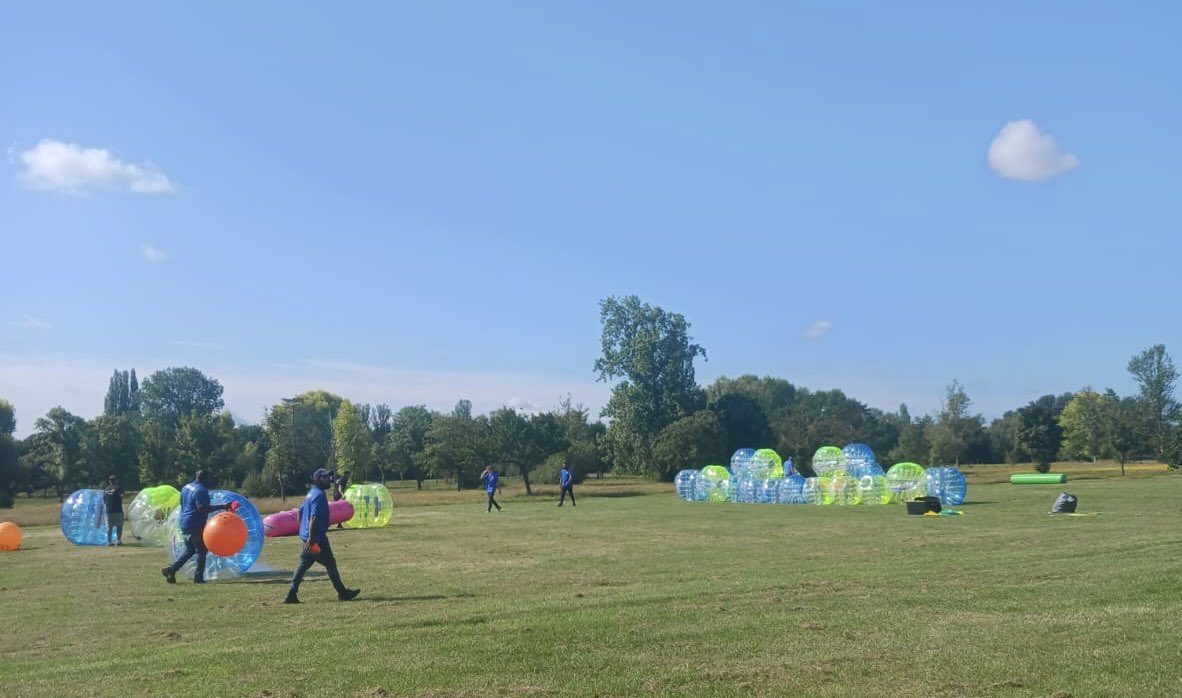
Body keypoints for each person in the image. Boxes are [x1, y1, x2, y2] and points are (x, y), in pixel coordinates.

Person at [285, 468, 360, 604]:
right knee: (330, 563)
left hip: (308, 537)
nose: (329, 479)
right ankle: (342, 593)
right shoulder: (319, 495)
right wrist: (312, 539)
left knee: (303, 565)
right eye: (326, 477)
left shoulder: (311, 493)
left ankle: (291, 594)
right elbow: (314, 518)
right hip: (316, 538)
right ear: (319, 479)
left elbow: (299, 511)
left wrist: (303, 530)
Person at [161, 470, 234, 584]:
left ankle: (172, 570)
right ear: (204, 478)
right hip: (195, 524)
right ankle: (198, 578)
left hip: (184, 522)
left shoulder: (186, 487)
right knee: (202, 550)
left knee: (190, 550)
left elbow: (182, 503)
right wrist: (222, 506)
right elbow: (201, 508)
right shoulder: (201, 490)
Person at [102, 475, 125, 545]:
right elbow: (122, 496)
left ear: (109, 481)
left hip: (108, 510)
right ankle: (118, 540)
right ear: (116, 481)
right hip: (117, 510)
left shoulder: (106, 489)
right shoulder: (118, 488)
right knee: (119, 525)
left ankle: (109, 541)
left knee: (109, 526)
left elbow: (104, 500)